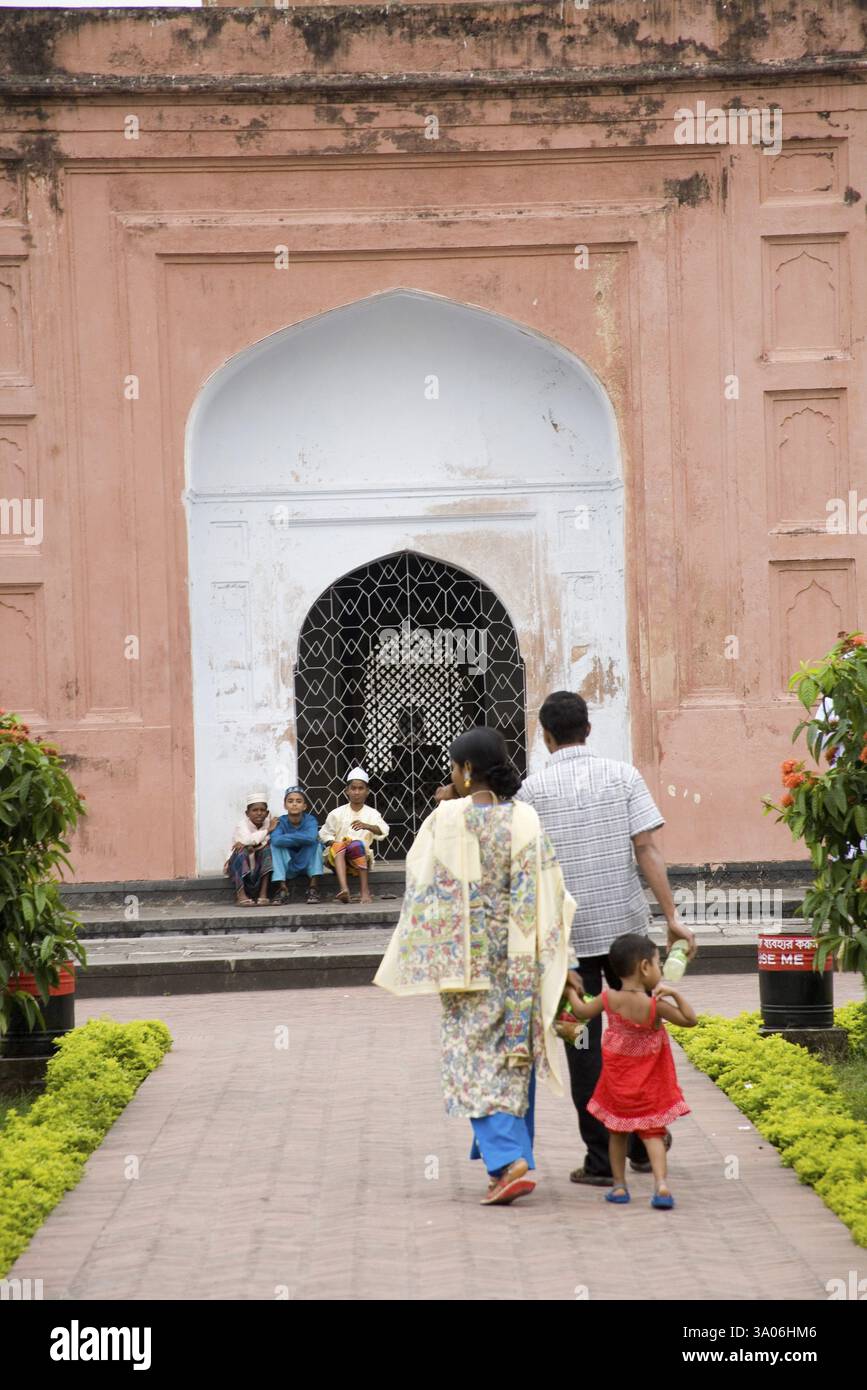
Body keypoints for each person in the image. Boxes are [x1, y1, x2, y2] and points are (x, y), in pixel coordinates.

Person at [375, 726, 575, 1207]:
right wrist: (559, 959)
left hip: (466, 958)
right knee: (513, 1054)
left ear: (465, 771)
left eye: (453, 766)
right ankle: (511, 1156)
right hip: (521, 957)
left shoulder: (447, 819)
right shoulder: (525, 819)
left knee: (471, 1061)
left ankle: (506, 1161)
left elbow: (423, 881)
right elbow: (550, 890)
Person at [514, 690, 696, 1187]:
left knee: (585, 1042)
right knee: (641, 1032)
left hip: (567, 942)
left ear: (546, 736)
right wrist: (672, 916)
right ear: (588, 729)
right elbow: (647, 848)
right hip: (626, 937)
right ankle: (645, 1139)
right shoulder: (624, 776)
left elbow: (528, 872)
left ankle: (600, 1158)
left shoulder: (532, 791)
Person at [566, 932, 697, 1208]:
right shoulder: (655, 1006)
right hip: (649, 1085)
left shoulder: (608, 999)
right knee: (653, 1133)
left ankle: (619, 1186)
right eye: (658, 963)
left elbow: (579, 1012)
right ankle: (661, 1185)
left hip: (616, 1084)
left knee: (616, 1133)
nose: (660, 969)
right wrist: (674, 994)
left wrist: (569, 989)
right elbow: (690, 1020)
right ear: (645, 967)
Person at [319, 767, 389, 904]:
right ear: (347, 791)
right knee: (340, 845)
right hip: (337, 858)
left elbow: (383, 830)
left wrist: (368, 826)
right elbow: (324, 835)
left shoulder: (372, 813)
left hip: (360, 859)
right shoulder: (336, 813)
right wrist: (335, 843)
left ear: (367, 792)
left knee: (357, 845)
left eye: (361, 788)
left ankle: (365, 892)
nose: (357, 792)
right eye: (353, 788)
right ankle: (344, 889)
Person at [270, 786, 324, 905]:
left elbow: (311, 838)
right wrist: (301, 837)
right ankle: (282, 889)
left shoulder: (311, 820)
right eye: (290, 801)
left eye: (298, 801)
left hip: (308, 864)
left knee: (316, 843)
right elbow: (275, 841)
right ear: (285, 805)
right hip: (288, 864)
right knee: (275, 847)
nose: (294, 804)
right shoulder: (280, 821)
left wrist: (288, 838)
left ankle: (313, 887)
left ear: (304, 806)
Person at [224, 794, 273, 907]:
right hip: (240, 865)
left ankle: (263, 894)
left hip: (257, 864)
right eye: (255, 810)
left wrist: (253, 844)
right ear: (247, 813)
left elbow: (262, 841)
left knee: (267, 850)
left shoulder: (268, 823)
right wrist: (267, 832)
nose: (259, 813)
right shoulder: (241, 825)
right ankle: (241, 895)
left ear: (267, 812)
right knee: (241, 851)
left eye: (262, 810)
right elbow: (247, 840)